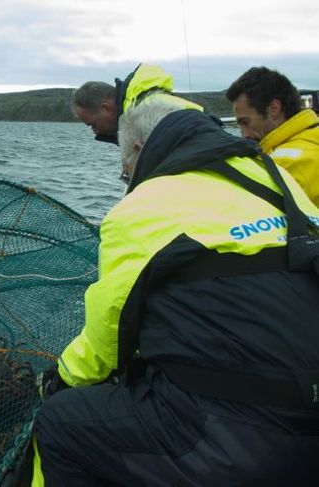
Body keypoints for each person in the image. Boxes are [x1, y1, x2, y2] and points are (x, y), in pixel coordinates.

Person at [32, 101, 319, 486]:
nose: (128, 180)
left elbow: (108, 336)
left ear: (137, 151)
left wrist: (60, 380)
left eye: (124, 172)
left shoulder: (141, 208)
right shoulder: (279, 179)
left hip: (239, 443)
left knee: (58, 422)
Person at [226, 66, 319, 206]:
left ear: (274, 108)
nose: (244, 134)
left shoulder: (285, 165)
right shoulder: (312, 136)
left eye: (245, 122)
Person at [72, 63, 204, 145]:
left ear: (106, 108)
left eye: (93, 124)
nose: (95, 131)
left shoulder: (143, 119)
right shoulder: (152, 102)